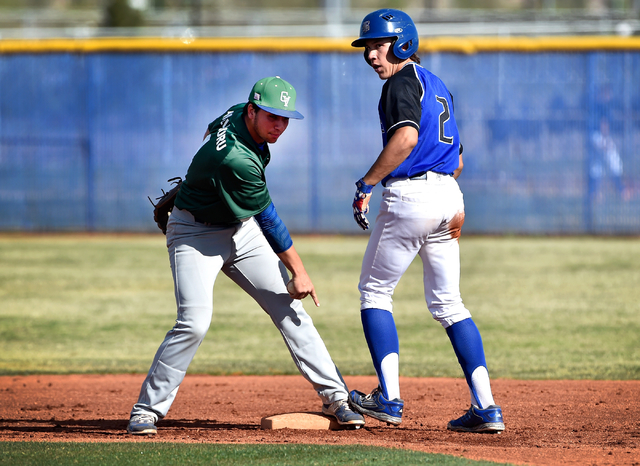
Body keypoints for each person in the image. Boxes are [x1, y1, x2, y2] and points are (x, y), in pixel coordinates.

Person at [126, 76, 365, 434]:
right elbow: (269, 219)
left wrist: (202, 181)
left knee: (288, 310)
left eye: (285, 118)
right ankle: (146, 410)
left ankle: (337, 398)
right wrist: (299, 271)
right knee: (194, 321)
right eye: (272, 116)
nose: (279, 125)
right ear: (252, 110)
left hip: (240, 228)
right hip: (195, 233)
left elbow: (211, 132)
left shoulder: (237, 113)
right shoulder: (238, 159)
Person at [347, 9, 505, 434]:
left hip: (412, 194)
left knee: (374, 292)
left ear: (403, 42)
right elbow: (457, 160)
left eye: (379, 45)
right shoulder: (437, 85)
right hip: (448, 197)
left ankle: (389, 399)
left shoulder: (401, 82)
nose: (371, 55)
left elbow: (407, 137)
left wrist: (367, 183)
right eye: (367, 47)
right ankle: (486, 407)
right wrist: (444, 197)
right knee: (449, 304)